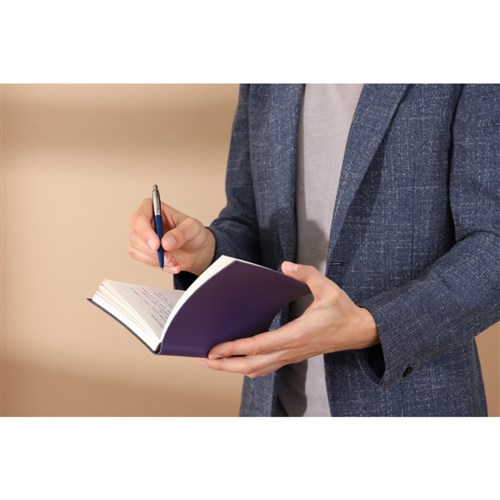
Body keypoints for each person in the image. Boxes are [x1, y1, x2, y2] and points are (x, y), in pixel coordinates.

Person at [128, 84, 500, 417]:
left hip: (414, 406)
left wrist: (368, 326)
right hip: (273, 407)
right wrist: (208, 251)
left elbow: (492, 245)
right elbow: (249, 219)